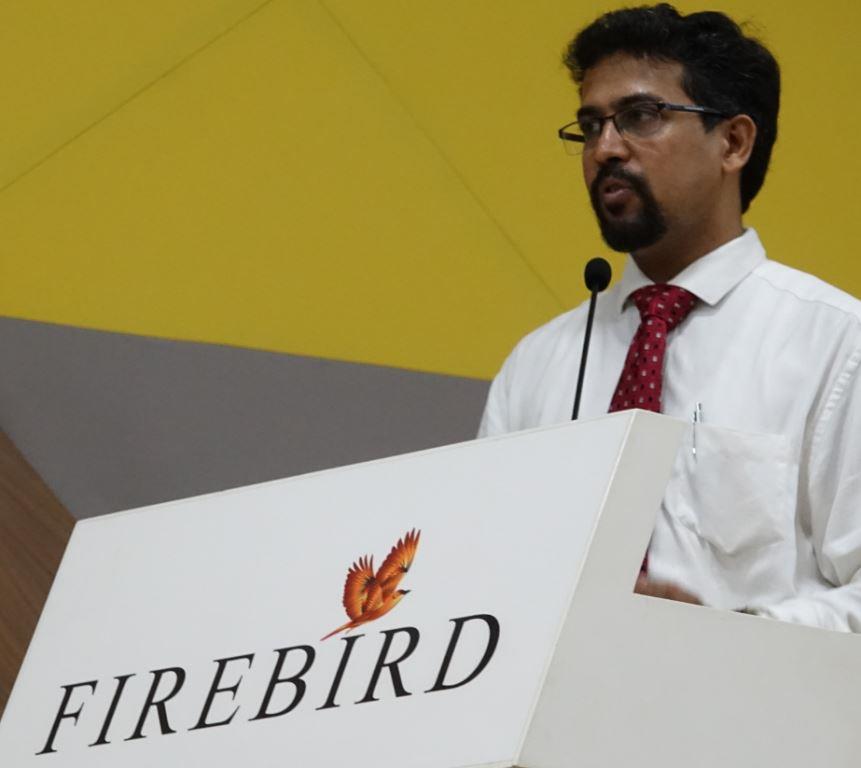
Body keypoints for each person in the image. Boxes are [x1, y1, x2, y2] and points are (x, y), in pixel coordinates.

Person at [479, 3, 861, 631]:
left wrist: (714, 637)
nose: (605, 148)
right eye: (590, 126)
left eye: (640, 116)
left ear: (733, 143)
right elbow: (479, 578)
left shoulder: (836, 345)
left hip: (749, 693)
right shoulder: (537, 365)